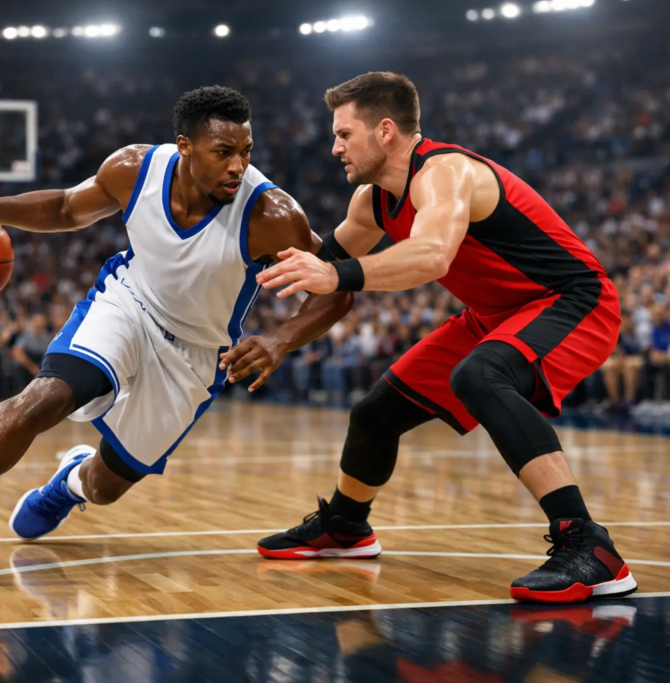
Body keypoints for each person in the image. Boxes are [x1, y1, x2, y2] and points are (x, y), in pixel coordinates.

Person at [0, 86, 353, 583]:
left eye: (246, 152)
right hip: (128, 303)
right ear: (184, 146)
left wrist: (280, 339)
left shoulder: (271, 216)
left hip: (195, 353)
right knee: (45, 397)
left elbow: (335, 290)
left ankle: (69, 484)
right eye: (223, 152)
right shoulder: (134, 169)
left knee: (106, 487)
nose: (237, 166)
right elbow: (64, 209)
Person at [255, 72, 634, 604]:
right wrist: (271, 326)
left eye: (344, 134)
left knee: (480, 375)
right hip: (494, 315)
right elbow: (319, 268)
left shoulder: (446, 172)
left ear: (385, 131)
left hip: (571, 299)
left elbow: (432, 255)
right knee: (375, 413)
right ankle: (345, 526)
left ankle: (590, 547)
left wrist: (336, 275)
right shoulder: (372, 202)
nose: (334, 146)